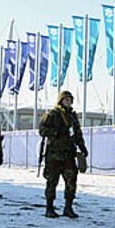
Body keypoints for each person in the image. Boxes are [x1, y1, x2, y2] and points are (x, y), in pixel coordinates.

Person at [39, 90, 88, 218]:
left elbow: (77, 132)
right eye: (66, 99)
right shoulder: (52, 114)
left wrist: (82, 146)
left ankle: (68, 208)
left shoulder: (72, 115)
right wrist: (57, 132)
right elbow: (42, 130)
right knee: (52, 182)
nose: (68, 102)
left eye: (70, 100)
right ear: (61, 100)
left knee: (71, 181)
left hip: (69, 154)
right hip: (54, 154)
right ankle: (49, 208)